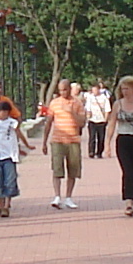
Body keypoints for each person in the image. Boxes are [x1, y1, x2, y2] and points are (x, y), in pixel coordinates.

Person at [107, 76, 133, 216]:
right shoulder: (118, 104)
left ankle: (132, 200)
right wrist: (107, 144)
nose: (125, 91)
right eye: (122, 88)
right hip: (123, 140)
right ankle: (127, 202)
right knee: (128, 170)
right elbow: (112, 123)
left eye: (127, 88)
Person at [43, 78, 85, 209]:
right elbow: (49, 122)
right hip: (57, 140)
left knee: (73, 170)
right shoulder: (54, 103)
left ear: (70, 89)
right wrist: (44, 142)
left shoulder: (77, 103)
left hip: (73, 140)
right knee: (57, 169)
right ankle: (57, 196)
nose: (63, 92)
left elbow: (82, 123)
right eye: (60, 90)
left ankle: (68, 197)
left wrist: (72, 112)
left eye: (65, 90)